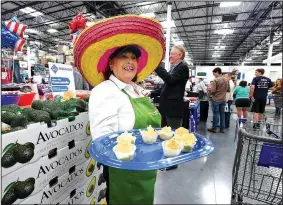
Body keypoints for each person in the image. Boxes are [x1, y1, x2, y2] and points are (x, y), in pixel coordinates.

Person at [73, 15, 165, 204]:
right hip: (124, 172)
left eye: (133, 57)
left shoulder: (137, 90)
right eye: (123, 56)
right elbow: (102, 142)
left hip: (146, 169)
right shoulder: (105, 91)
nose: (130, 61)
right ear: (111, 63)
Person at [150, 45, 189, 171]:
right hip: (168, 107)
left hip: (173, 107)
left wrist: (157, 66)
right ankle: (167, 157)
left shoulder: (183, 67)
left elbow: (170, 80)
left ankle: (173, 162)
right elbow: (167, 87)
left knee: (174, 135)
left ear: (180, 55)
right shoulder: (175, 68)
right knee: (166, 134)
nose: (170, 56)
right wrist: (151, 93)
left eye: (172, 54)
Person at [207, 67, 229, 133]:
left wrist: (209, 90)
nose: (213, 75)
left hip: (216, 99)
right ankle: (222, 129)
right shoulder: (226, 79)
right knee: (222, 114)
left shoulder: (216, 80)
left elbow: (213, 91)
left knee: (216, 114)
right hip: (223, 99)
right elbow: (228, 90)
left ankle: (214, 128)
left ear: (217, 72)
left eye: (214, 73)